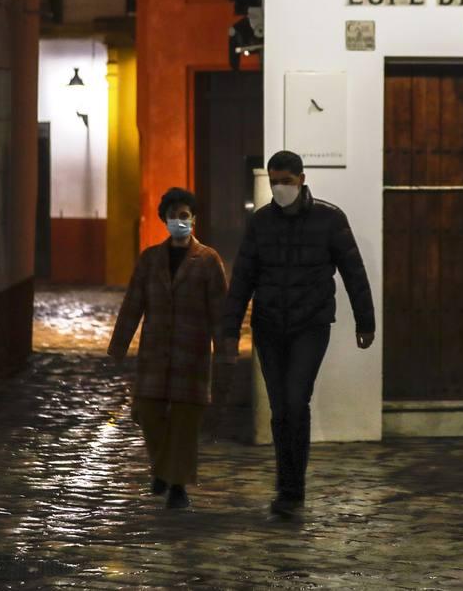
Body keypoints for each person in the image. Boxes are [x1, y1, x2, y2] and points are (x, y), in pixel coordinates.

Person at [221, 150, 376, 517]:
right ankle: (286, 486)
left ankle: (293, 489)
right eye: (274, 181)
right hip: (269, 326)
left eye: (286, 181)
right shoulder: (261, 223)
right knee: (279, 410)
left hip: (311, 325)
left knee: (295, 402)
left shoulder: (329, 219)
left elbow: (353, 272)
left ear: (302, 179)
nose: (279, 188)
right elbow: (242, 277)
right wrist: (229, 330)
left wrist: (365, 321)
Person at [108, 187, 229, 509]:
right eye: (174, 216)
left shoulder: (208, 261)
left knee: (184, 424)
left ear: (194, 219)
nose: (180, 221)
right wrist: (119, 345)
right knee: (149, 413)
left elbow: (219, 309)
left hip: (192, 355)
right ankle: (163, 469)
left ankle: (177, 487)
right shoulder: (150, 260)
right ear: (165, 219)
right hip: (155, 354)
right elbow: (133, 304)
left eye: (185, 216)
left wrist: (226, 349)